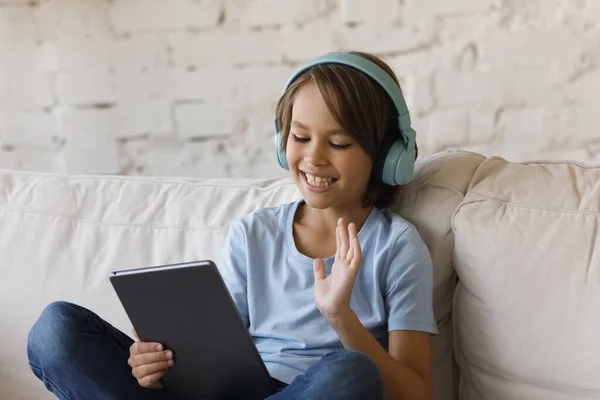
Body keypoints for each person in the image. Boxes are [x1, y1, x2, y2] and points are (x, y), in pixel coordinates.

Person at [27, 50, 438, 400]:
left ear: (387, 154)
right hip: (226, 389)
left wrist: (339, 316)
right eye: (299, 137)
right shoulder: (253, 233)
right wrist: (151, 363)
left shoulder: (397, 247)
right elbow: (213, 360)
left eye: (339, 143)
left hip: (311, 391)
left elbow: (415, 391)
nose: (314, 158)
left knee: (350, 373)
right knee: (55, 330)